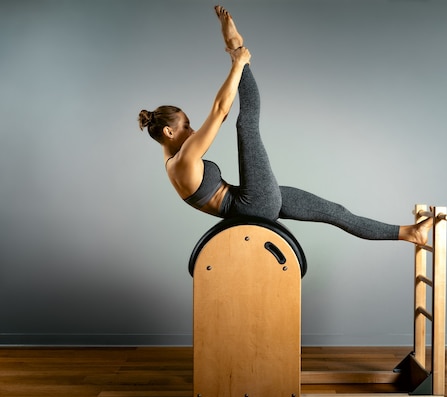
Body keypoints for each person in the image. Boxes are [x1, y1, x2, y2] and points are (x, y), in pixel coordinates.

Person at [138, 6, 431, 245]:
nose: (192, 131)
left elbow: (218, 112)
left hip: (253, 202)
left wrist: (235, 57)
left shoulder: (172, 163)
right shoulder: (183, 162)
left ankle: (409, 233)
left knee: (335, 212)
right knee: (246, 125)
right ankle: (239, 52)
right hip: (252, 204)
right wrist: (238, 64)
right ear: (169, 132)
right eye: (186, 126)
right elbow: (219, 111)